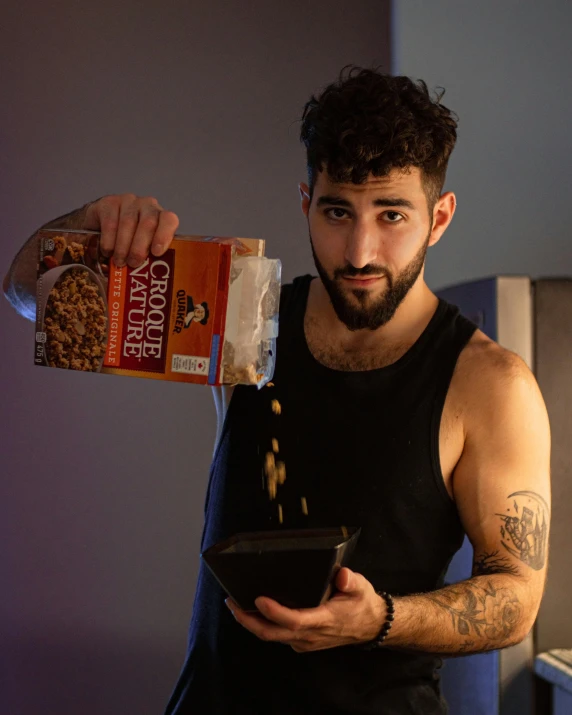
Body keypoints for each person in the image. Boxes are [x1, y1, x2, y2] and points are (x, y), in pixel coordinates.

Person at [3, 67, 551, 714]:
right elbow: (28, 296)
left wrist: (379, 617)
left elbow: (515, 598)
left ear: (440, 216)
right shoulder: (242, 318)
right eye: (337, 211)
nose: (359, 251)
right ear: (305, 202)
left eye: (392, 215)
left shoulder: (488, 382)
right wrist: (88, 228)